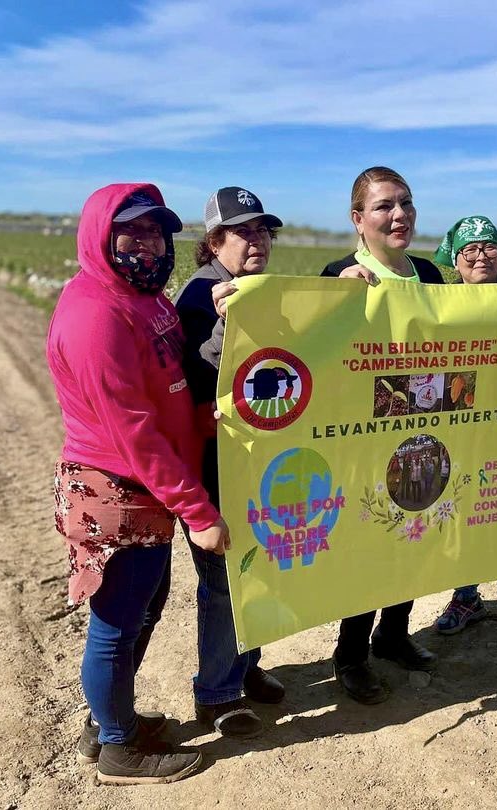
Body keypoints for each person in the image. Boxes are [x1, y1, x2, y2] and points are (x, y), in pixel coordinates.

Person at [47, 183, 230, 785]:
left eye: (157, 232)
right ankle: (118, 749)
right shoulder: (95, 313)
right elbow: (135, 431)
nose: (149, 244)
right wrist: (198, 512)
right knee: (118, 619)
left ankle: (111, 723)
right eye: (133, 232)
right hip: (118, 489)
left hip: (147, 489)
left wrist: (205, 418)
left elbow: (169, 387)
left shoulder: (147, 299)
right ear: (102, 237)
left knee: (144, 607)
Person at [321, 166, 442, 704]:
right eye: (385, 206)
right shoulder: (339, 273)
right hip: (363, 436)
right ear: (358, 219)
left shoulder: (431, 276)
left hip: (426, 429)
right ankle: (350, 654)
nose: (399, 215)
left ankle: (394, 634)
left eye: (406, 204)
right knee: (368, 544)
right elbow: (317, 353)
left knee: (416, 532)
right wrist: (332, 299)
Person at [173, 187, 286, 738]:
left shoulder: (252, 290)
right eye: (243, 231)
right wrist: (223, 325)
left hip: (251, 457)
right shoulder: (200, 296)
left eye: (263, 230)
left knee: (253, 568)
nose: (257, 239)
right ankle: (215, 695)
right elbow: (195, 379)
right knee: (223, 579)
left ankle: (244, 668)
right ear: (215, 240)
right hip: (214, 462)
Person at [428, 215, 497, 641]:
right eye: (469, 250)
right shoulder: (440, 302)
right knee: (461, 508)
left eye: (489, 247)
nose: (480, 256)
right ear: (455, 260)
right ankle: (466, 595)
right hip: (458, 421)